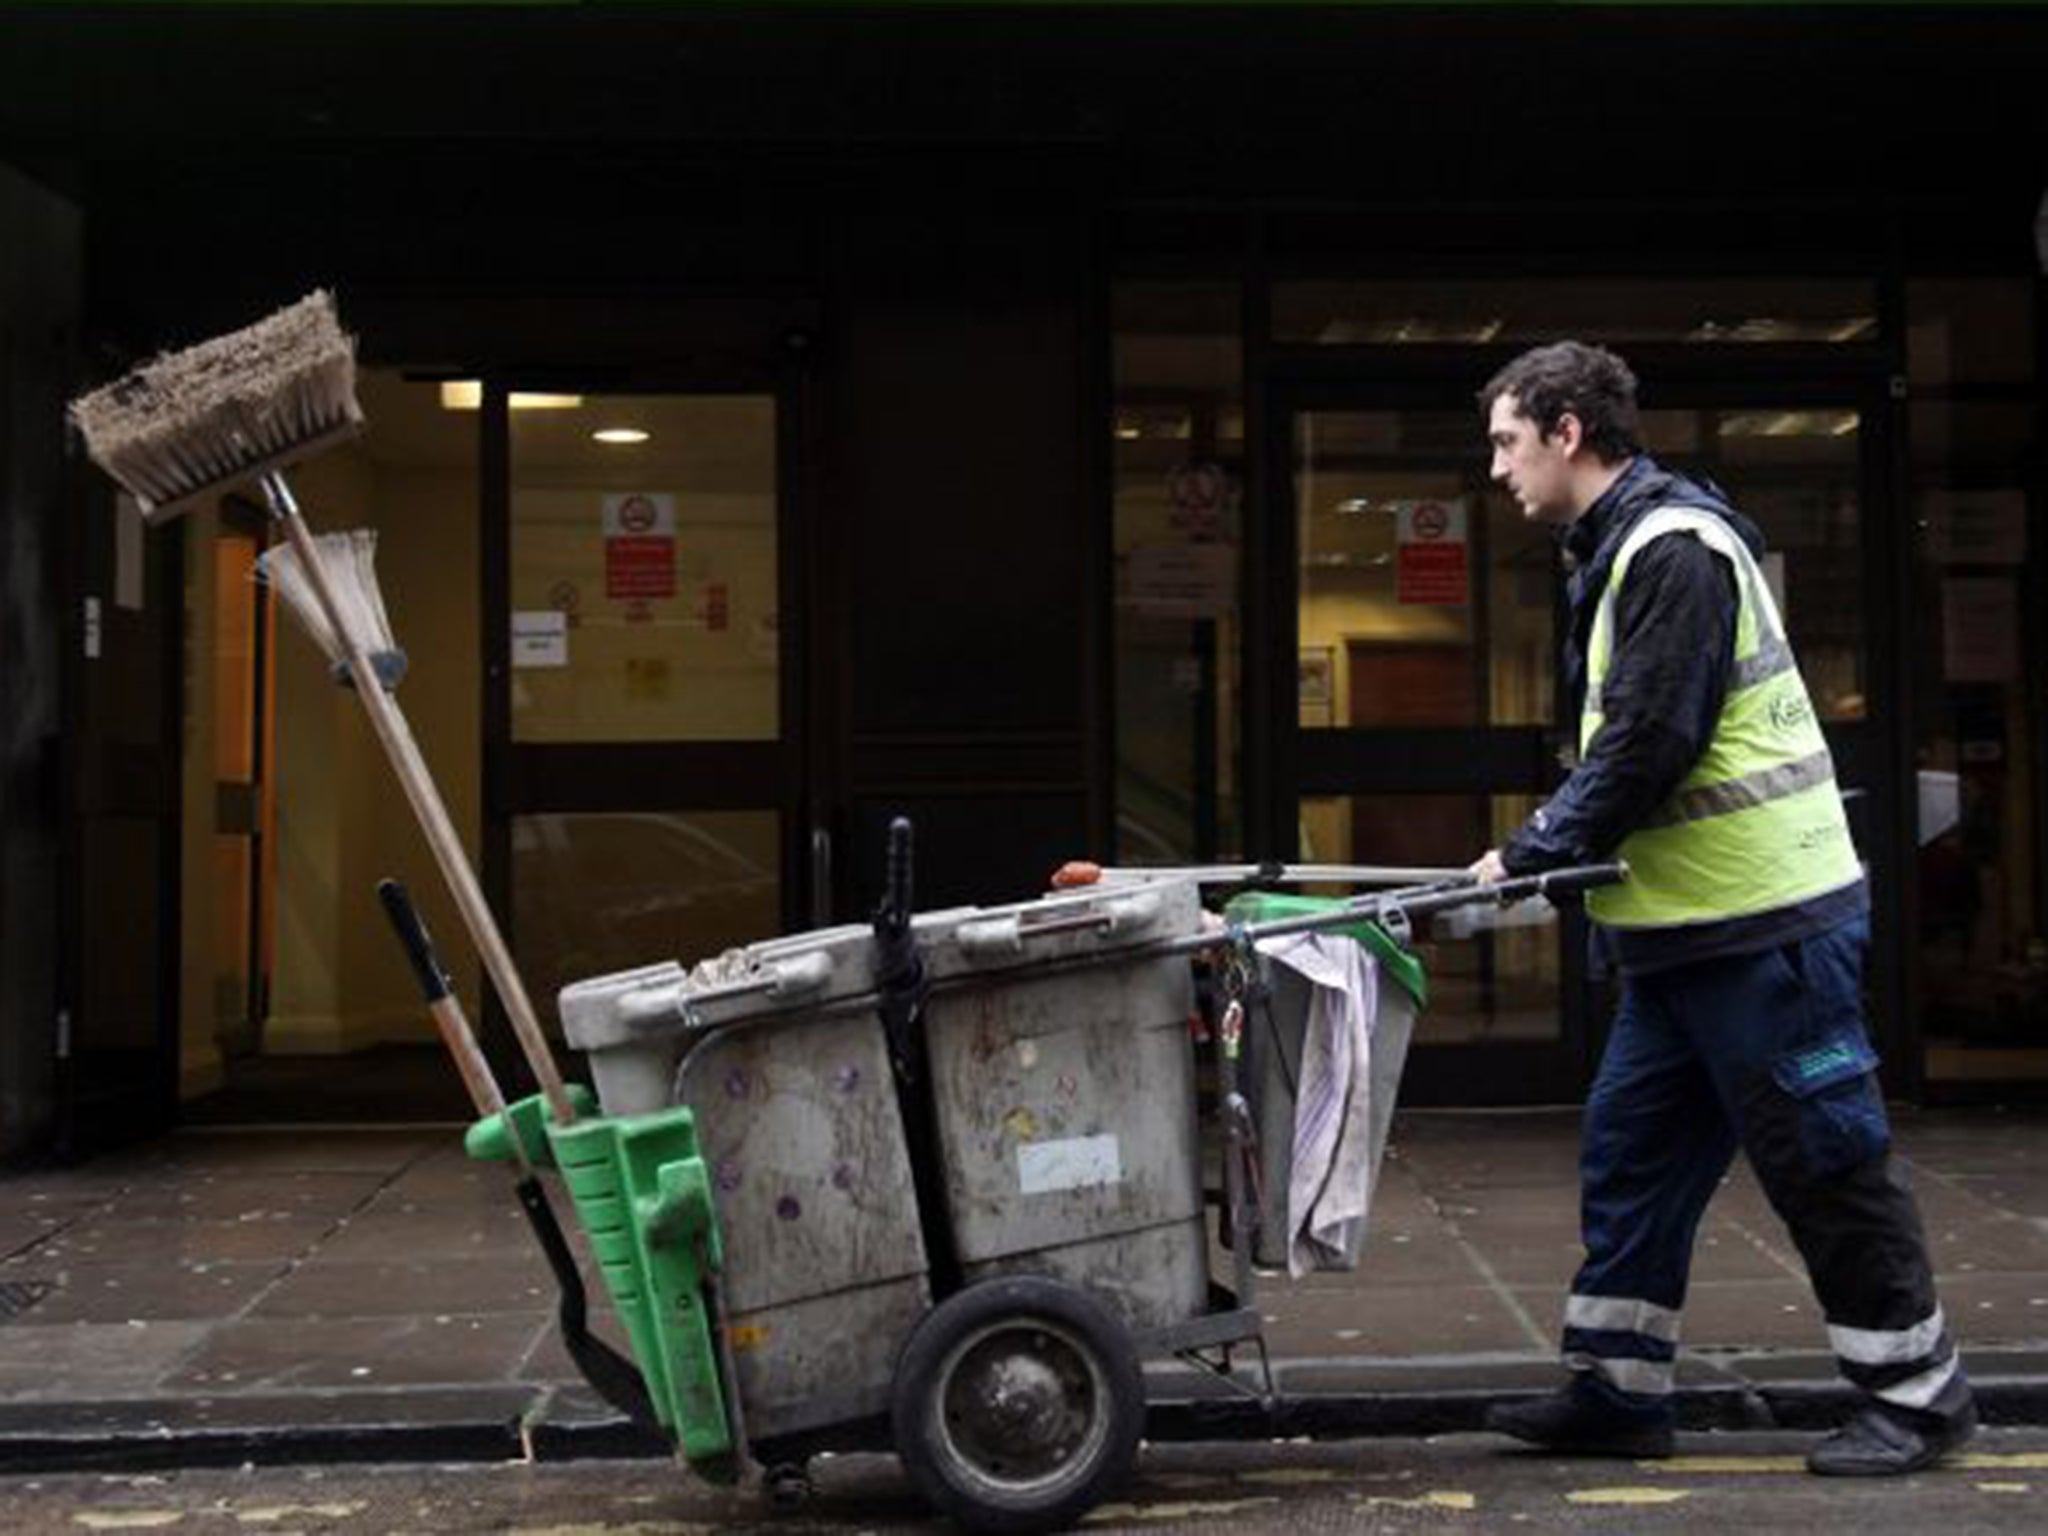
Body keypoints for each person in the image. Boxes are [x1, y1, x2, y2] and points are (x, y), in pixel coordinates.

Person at [1469, 341, 1974, 1475]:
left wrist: (1533, 850)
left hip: (1767, 931)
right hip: (1680, 938)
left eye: (1506, 441)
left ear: (1565, 432)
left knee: (1824, 1161)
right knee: (1631, 1158)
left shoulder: (1674, 551)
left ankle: (1915, 1396)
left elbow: (1651, 739)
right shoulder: (1616, 551)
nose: (1495, 468)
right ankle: (1618, 1389)